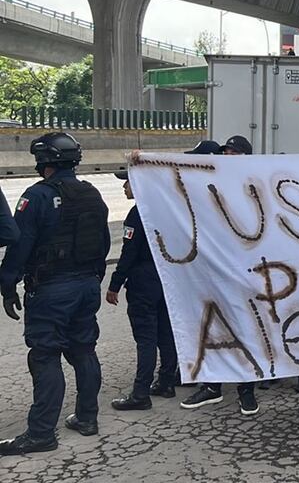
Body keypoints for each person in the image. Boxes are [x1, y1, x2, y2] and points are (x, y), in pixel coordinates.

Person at [0, 133, 109, 455]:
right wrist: (94, 279)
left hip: (52, 289)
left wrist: (7, 285)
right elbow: (102, 243)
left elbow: (20, 247)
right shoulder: (92, 194)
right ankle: (87, 418)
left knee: (45, 355)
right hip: (87, 285)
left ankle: (41, 434)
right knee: (84, 350)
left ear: (43, 162)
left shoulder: (37, 197)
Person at [181, 135, 268, 415]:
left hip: (245, 274)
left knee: (245, 330)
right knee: (212, 327)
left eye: (233, 152)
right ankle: (212, 386)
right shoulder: (209, 182)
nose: (227, 155)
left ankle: (247, 390)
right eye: (225, 151)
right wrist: (140, 163)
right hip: (212, 271)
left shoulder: (253, 186)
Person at [107, 171, 179, 410]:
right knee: (166, 334)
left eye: (126, 182)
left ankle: (140, 394)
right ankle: (167, 382)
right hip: (166, 279)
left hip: (143, 281)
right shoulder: (169, 210)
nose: (124, 187)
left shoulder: (138, 214)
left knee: (146, 338)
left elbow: (129, 253)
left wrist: (115, 284)